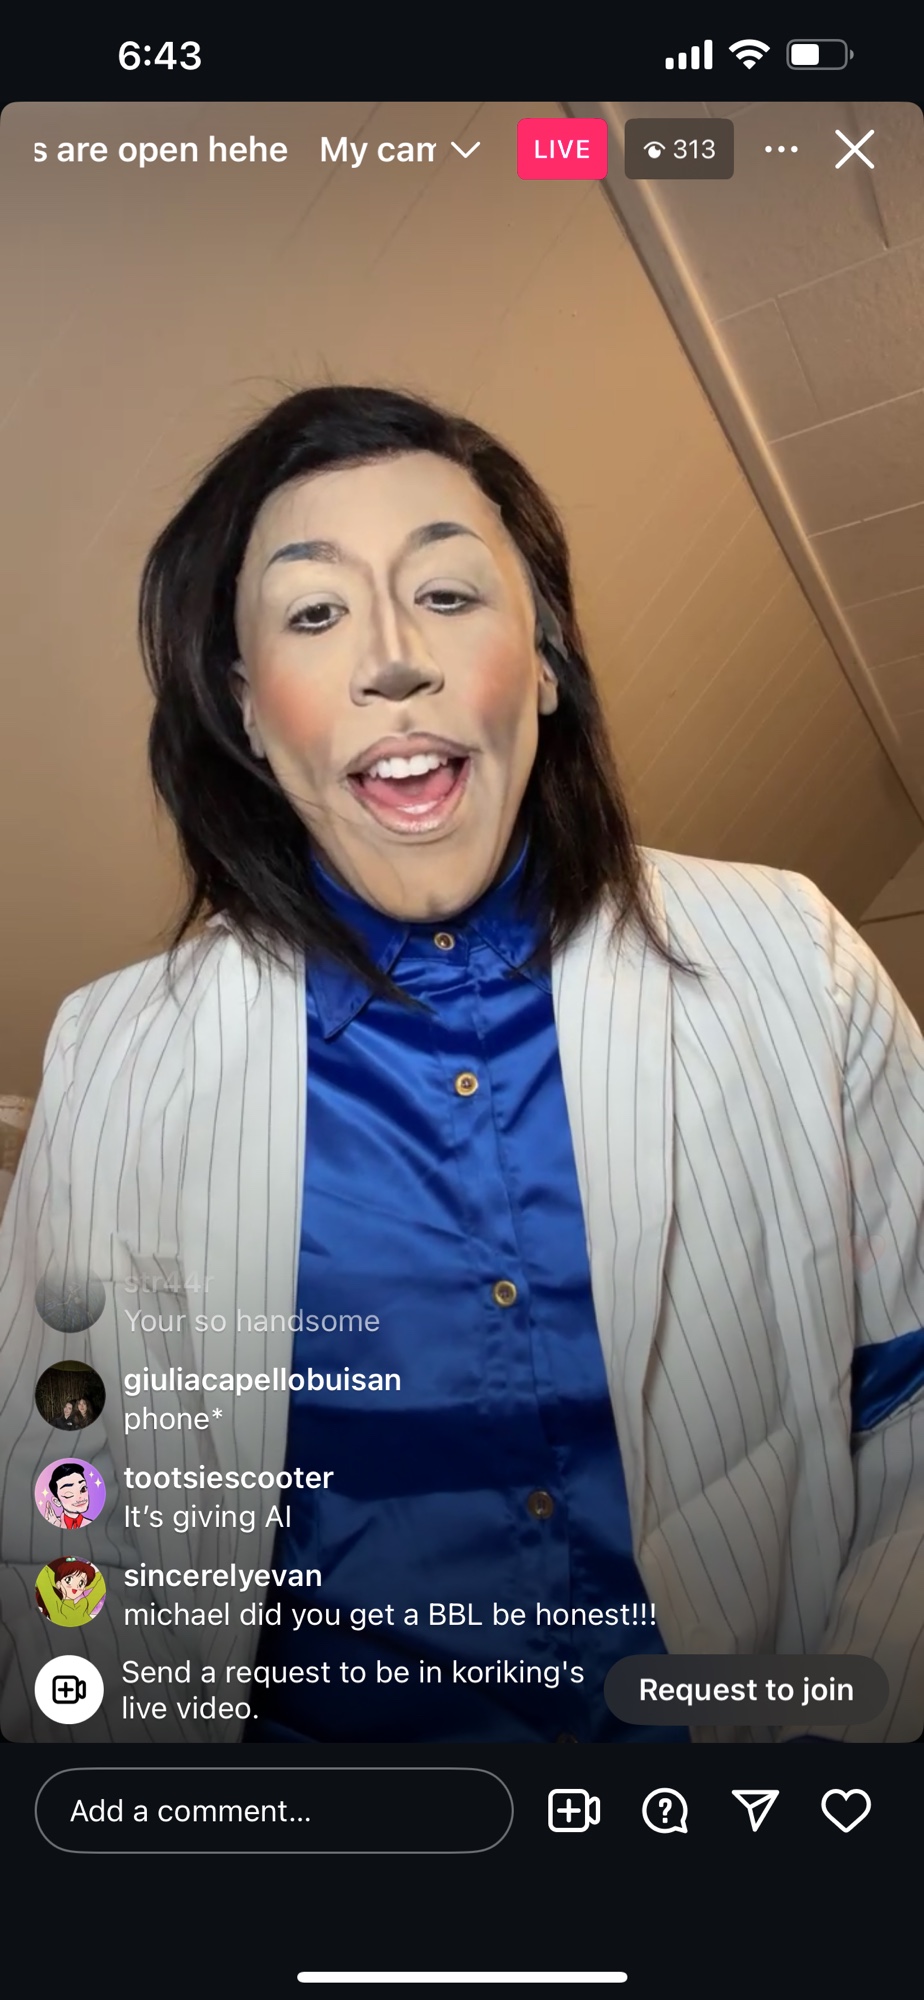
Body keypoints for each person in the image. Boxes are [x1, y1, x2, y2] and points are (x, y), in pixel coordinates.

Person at [0, 385, 922, 1746]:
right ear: (248, 711)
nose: (392, 659)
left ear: (543, 661)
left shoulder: (795, 955)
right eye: (316, 611)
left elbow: (907, 1404)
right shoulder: (113, 1056)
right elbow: (59, 1502)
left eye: (445, 593)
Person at [34, 1557, 106, 1627]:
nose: (75, 1587)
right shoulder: (55, 1606)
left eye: (81, 1583)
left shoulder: (83, 1605)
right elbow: (44, 1578)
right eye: (69, 1580)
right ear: (58, 1584)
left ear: (84, 1588)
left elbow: (100, 1585)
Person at [40, 1464, 91, 1529]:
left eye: (83, 1489)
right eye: (69, 1494)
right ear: (57, 1501)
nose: (80, 1497)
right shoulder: (53, 1523)